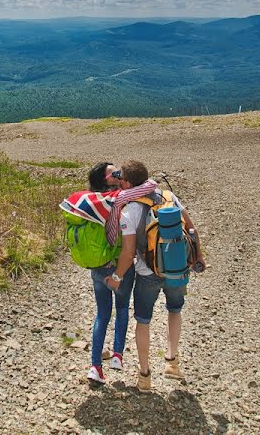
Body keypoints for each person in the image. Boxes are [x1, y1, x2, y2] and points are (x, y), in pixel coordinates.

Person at [104, 160, 198, 393]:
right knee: (174, 310)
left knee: (143, 321)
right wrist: (198, 257)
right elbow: (191, 228)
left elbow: (128, 253)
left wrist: (116, 277)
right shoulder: (167, 196)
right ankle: (172, 362)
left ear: (125, 183)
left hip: (148, 274)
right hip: (176, 269)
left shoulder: (129, 210)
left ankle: (145, 376)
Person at [84, 162, 136, 385]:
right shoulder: (119, 198)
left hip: (98, 265)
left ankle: (95, 366)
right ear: (108, 180)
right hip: (120, 263)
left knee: (102, 314)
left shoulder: (90, 202)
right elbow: (149, 185)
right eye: (115, 173)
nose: (119, 175)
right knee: (122, 307)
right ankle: (117, 356)